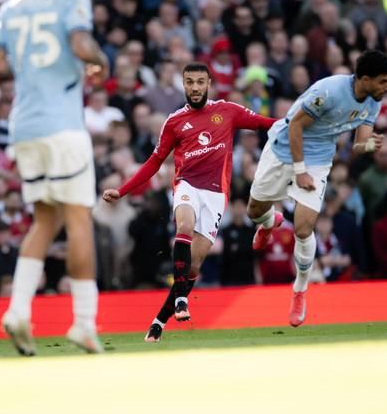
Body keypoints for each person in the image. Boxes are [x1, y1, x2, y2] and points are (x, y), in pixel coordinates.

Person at [0, 0, 110, 356]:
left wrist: (29, 71)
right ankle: (85, 323)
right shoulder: (74, 0)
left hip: (25, 126)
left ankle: (18, 310)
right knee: (78, 220)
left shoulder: (12, 7)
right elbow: (79, 43)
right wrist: (100, 62)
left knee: (45, 220)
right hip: (62, 124)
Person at [102, 63, 276, 342]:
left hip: (216, 195)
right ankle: (182, 301)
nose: (195, 87)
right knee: (184, 225)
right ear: (183, 85)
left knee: (194, 266)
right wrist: (122, 191)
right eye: (189, 82)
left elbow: (267, 124)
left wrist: (302, 123)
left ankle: (159, 321)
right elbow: (154, 162)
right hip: (187, 185)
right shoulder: (173, 122)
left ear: (209, 83)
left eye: (199, 82)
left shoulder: (227, 111)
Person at [247, 50, 387, 326]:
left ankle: (300, 290)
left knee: (304, 227)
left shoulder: (373, 100)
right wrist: (299, 171)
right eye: (383, 81)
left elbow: (358, 142)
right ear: (365, 79)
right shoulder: (328, 91)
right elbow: (295, 128)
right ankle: (270, 222)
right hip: (283, 149)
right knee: (254, 211)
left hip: (318, 158)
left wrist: (369, 146)